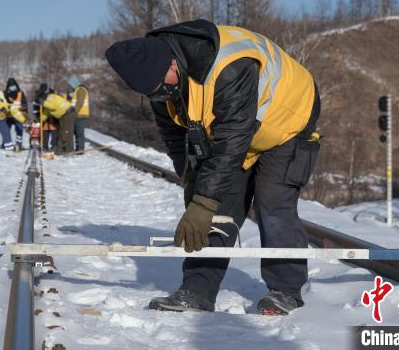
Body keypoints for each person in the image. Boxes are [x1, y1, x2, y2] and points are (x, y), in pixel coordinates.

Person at [105, 19, 320, 316]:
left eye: (159, 88)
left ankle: (286, 291)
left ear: (171, 64)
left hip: (288, 120)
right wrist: (193, 185)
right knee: (217, 205)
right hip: (243, 128)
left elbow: (232, 139)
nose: (158, 96)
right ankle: (197, 290)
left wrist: (203, 202)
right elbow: (175, 137)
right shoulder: (160, 84)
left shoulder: (230, 66)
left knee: (272, 202)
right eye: (151, 93)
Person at [0, 78, 27, 151]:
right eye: (11, 98)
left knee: (6, 132)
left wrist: (24, 121)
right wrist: (2, 108)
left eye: (14, 99)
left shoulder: (12, 103)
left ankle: (9, 148)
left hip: (1, 119)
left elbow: (16, 114)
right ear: (8, 95)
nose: (12, 100)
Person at [39, 86, 76, 155]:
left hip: (68, 114)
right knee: (63, 132)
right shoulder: (49, 100)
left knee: (66, 132)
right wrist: (41, 120)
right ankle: (60, 149)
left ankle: (68, 150)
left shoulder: (51, 97)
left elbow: (53, 107)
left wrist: (43, 103)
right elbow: (46, 112)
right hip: (64, 115)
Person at [4, 78, 29, 150]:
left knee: (19, 130)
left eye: (13, 86)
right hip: (8, 116)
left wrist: (24, 114)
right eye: (10, 86)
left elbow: (25, 104)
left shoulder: (21, 93)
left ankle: (19, 144)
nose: (12, 88)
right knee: (6, 130)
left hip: (18, 116)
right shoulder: (5, 94)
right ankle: (5, 144)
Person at [68, 75, 90, 152]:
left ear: (74, 83)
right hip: (77, 115)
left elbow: (79, 103)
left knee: (79, 132)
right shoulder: (76, 91)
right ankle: (78, 148)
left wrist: (73, 113)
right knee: (76, 132)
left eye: (71, 85)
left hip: (81, 115)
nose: (70, 87)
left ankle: (80, 149)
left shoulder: (81, 90)